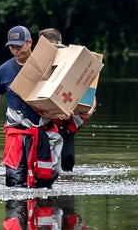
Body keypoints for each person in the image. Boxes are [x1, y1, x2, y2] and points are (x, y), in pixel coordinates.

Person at [0, 24, 68, 188]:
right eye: (12, 47)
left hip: (43, 133)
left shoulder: (48, 67)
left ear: (30, 42)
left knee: (45, 184)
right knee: (14, 187)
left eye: (19, 45)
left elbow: (67, 91)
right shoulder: (4, 70)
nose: (16, 50)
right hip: (16, 135)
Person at [36, 27, 95, 172]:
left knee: (66, 167)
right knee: (43, 168)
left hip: (67, 125)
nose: (39, 49)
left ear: (55, 43)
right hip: (47, 124)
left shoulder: (72, 63)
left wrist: (90, 109)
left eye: (42, 44)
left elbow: (90, 91)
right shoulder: (39, 65)